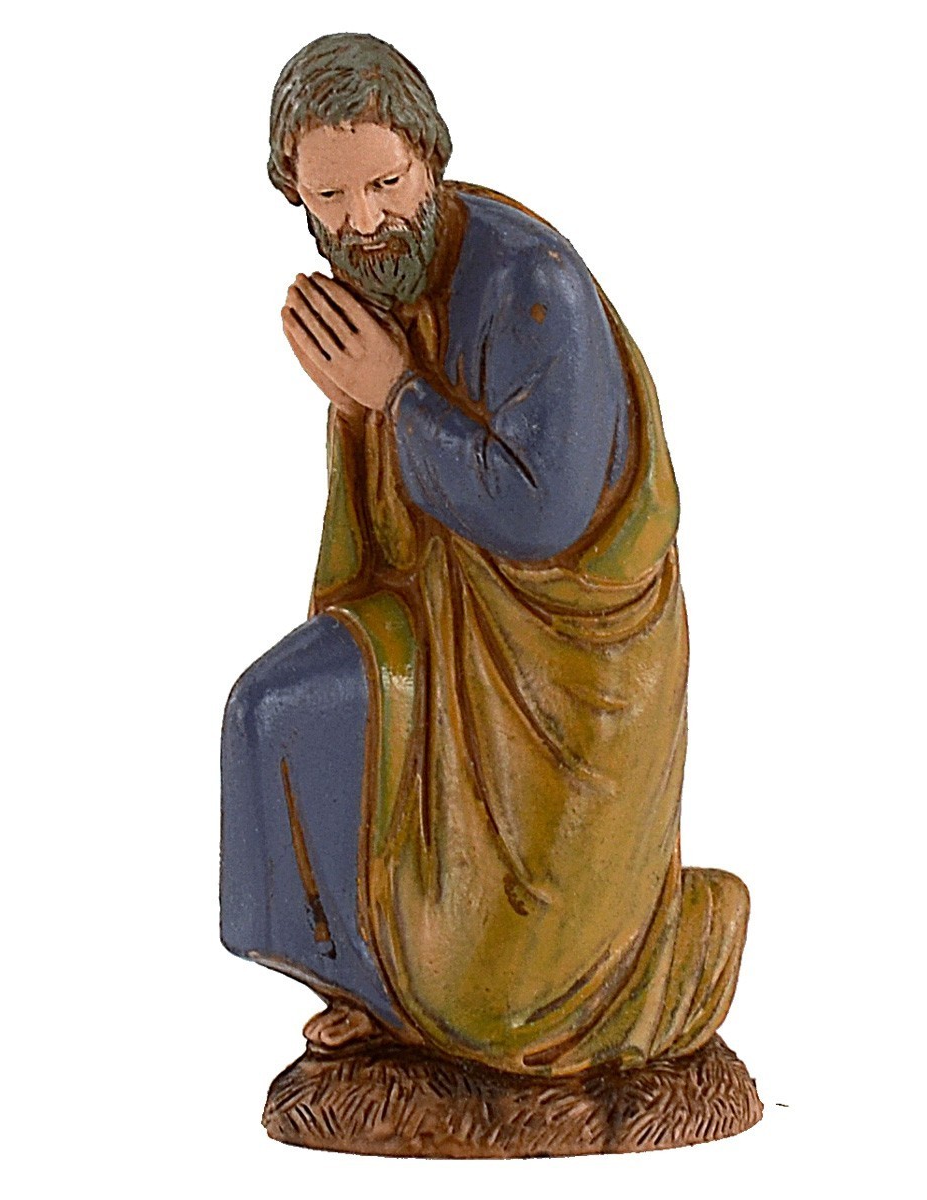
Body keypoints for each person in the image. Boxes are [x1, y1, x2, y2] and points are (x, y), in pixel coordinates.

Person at [221, 33, 751, 1076]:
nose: (363, 222)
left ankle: (649, 959)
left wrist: (392, 395)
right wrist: (366, 405)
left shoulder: (533, 285)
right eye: (331, 197)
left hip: (566, 667)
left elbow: (544, 512)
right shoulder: (374, 282)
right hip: (435, 618)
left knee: (508, 987)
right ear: (296, 195)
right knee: (271, 713)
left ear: (430, 158)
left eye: (386, 184)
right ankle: (365, 987)